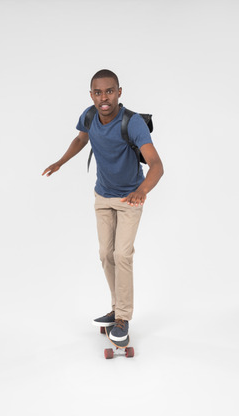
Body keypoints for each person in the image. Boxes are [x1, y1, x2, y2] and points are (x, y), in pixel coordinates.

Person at [42, 69, 164, 342]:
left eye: (109, 91)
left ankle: (123, 317)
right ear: (91, 95)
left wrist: (141, 190)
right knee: (105, 255)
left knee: (122, 255)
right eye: (98, 92)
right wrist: (60, 162)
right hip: (102, 195)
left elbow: (157, 165)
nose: (103, 97)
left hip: (130, 197)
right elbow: (80, 139)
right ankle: (115, 308)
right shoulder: (88, 115)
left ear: (119, 92)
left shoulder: (132, 123)